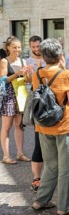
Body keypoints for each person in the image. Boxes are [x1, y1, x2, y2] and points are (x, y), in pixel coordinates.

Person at [31, 38, 69, 215]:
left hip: (44, 126)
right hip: (65, 125)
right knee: (67, 167)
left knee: (51, 166)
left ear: (43, 56)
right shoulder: (66, 74)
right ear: (60, 55)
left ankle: (41, 200)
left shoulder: (37, 74)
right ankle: (64, 206)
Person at [0, 36, 32, 164]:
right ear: (8, 47)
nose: (17, 50)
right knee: (6, 126)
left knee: (19, 125)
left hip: (20, 95)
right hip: (8, 95)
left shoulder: (23, 61)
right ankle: (6, 156)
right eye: (14, 47)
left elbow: (27, 80)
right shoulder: (4, 61)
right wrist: (17, 74)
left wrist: (27, 74)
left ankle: (20, 153)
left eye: (19, 47)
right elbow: (3, 79)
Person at [26, 35, 47, 191]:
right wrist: (27, 74)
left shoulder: (49, 59)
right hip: (37, 102)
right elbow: (28, 81)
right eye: (33, 47)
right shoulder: (27, 61)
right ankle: (36, 178)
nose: (36, 49)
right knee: (38, 140)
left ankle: (51, 176)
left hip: (50, 101)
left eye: (38, 46)